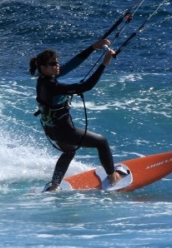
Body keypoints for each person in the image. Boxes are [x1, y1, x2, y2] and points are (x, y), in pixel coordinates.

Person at [29, 39, 123, 191]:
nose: (57, 66)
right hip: (64, 131)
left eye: (57, 62)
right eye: (53, 64)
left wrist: (93, 47)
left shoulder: (44, 79)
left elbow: (72, 65)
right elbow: (86, 86)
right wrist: (105, 63)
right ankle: (113, 177)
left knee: (69, 151)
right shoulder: (52, 86)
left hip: (51, 129)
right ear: (43, 67)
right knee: (102, 142)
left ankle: (54, 185)